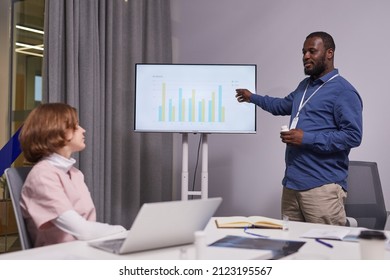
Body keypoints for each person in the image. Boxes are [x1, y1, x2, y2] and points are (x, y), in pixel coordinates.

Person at [235, 31, 363, 226]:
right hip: (291, 186)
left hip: (321, 188)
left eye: (312, 51)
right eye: (303, 52)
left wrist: (307, 138)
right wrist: (252, 97)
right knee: (293, 249)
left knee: (326, 251)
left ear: (329, 53)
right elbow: (281, 106)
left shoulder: (344, 91)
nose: (305, 57)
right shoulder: (305, 86)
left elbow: (353, 136)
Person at [19, 103, 126, 247]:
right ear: (55, 131)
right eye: (75, 127)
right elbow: (82, 230)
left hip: (84, 249)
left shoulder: (75, 174)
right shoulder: (42, 176)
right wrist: (124, 232)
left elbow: (87, 228)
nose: (83, 130)